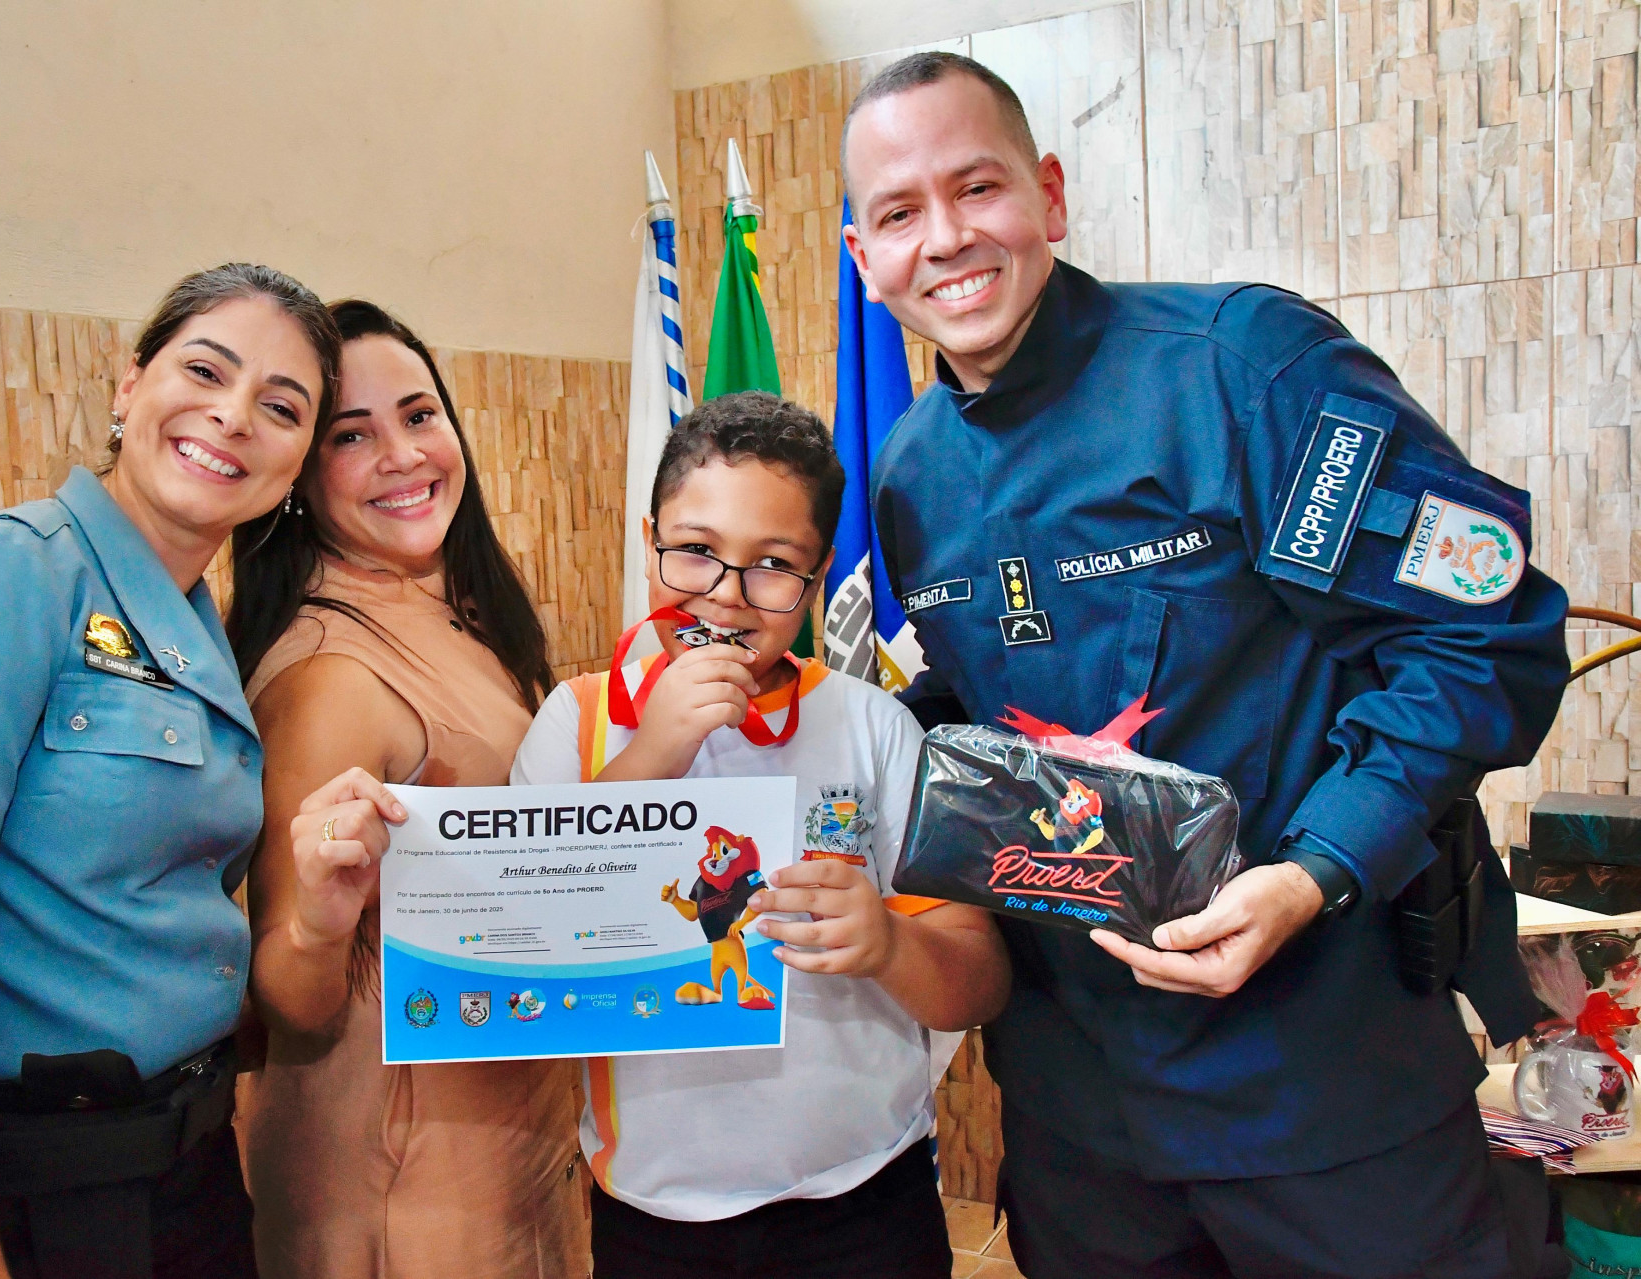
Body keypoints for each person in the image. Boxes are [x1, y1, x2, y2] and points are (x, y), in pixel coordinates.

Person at [843, 51, 1571, 1279]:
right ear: (866, 256)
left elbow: (1482, 637)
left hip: (1326, 1091)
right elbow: (968, 714)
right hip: (1083, 1120)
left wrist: (1317, 870)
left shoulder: (1242, 370)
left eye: (978, 187)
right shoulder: (911, 471)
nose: (948, 237)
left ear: (1049, 195)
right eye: (901, 212)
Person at [0, 263, 342, 1279]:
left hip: (176, 1172)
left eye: (281, 407)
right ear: (130, 384)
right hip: (31, 1189)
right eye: (206, 371)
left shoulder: (189, 620)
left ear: (295, 465)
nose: (234, 416)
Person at [508, 391, 1011, 1279]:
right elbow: (529, 950)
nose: (727, 595)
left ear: (818, 577)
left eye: (775, 564)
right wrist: (656, 750)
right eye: (695, 550)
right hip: (658, 1212)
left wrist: (889, 940)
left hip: (867, 1196)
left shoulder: (874, 726)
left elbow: (978, 981)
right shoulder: (576, 722)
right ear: (648, 540)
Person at [230, 299, 586, 1279]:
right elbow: (290, 996)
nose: (403, 454)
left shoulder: (456, 608)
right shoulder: (330, 677)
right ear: (300, 477)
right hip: (404, 1179)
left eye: (420, 414)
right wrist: (318, 928)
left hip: (510, 1137)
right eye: (352, 435)